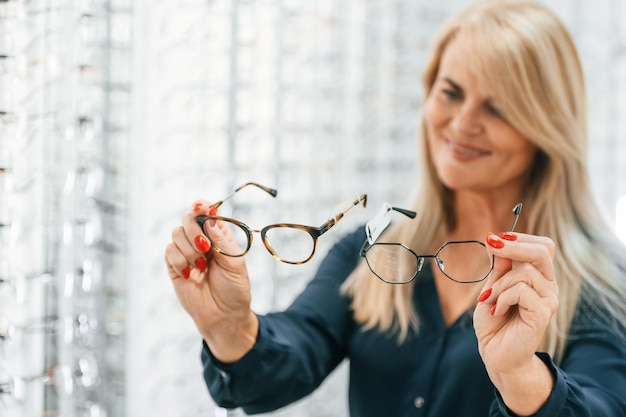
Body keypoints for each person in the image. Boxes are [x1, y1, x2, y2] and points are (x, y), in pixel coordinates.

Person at [164, 0, 626, 415]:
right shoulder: (369, 249)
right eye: (450, 92)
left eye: (498, 107)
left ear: (545, 126)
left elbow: (605, 403)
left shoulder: (598, 284)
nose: (462, 123)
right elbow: (286, 361)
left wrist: (522, 378)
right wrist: (228, 326)